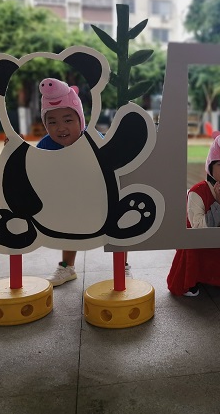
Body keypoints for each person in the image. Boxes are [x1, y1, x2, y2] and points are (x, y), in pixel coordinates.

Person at [8, 77, 129, 286]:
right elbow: (34, 168)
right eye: (52, 122)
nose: (60, 128)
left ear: (80, 120)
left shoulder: (92, 139)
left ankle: (122, 265)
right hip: (69, 201)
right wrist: (14, 151)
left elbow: (111, 166)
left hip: (99, 199)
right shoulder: (47, 144)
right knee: (68, 226)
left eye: (68, 120)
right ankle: (67, 266)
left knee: (119, 226)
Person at [167, 131, 220, 296]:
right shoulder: (198, 191)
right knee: (193, 245)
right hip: (198, 242)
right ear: (210, 166)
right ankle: (191, 280)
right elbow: (199, 228)